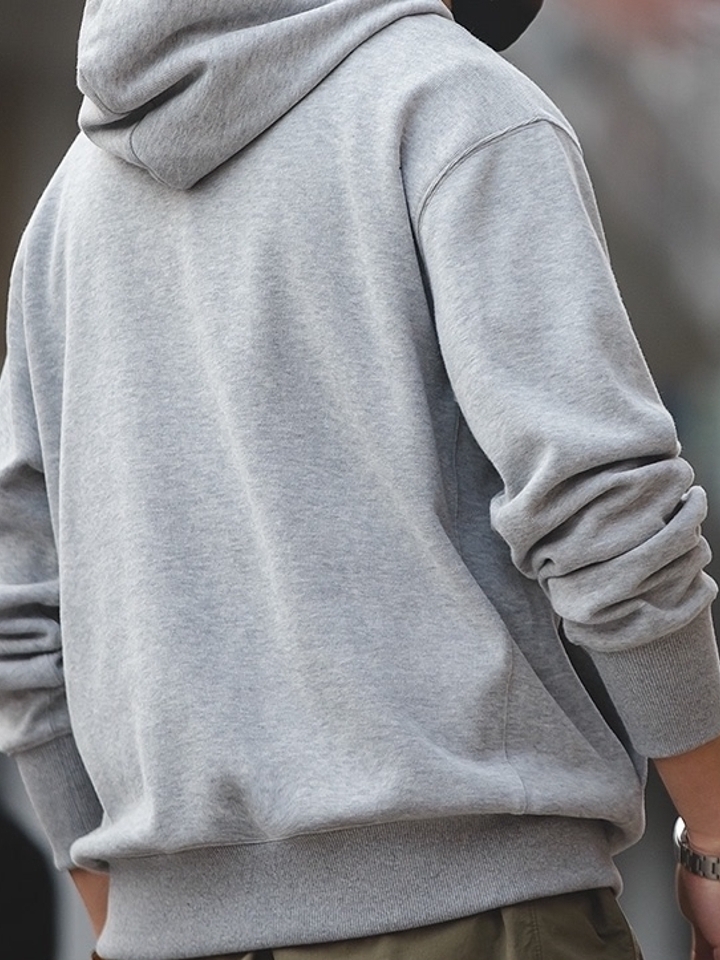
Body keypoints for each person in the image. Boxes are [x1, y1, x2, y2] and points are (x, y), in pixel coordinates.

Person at [1, 0, 720, 958]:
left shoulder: (65, 210)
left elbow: (24, 611)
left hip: (159, 932)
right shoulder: (451, 102)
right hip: (469, 912)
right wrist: (714, 837)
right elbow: (600, 503)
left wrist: (121, 906)